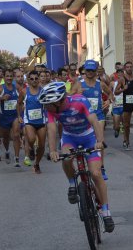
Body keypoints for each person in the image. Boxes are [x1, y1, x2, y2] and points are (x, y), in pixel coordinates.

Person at [40, 82, 114, 233]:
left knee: (96, 173)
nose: (46, 107)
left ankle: (106, 212)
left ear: (59, 101)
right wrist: (53, 150)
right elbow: (52, 128)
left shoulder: (80, 101)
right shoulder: (51, 109)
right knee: (66, 157)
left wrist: (100, 141)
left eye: (49, 105)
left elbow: (94, 121)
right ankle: (72, 183)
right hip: (70, 138)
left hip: (88, 137)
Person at [74, 60, 114, 180]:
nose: (90, 72)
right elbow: (68, 96)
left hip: (98, 116)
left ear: (96, 71)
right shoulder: (79, 83)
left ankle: (101, 167)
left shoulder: (100, 84)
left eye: (92, 70)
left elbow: (110, 93)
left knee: (99, 140)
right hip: (83, 118)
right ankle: (84, 164)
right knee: (82, 143)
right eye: (88, 70)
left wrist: (108, 101)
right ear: (84, 71)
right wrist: (77, 94)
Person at [17, 70, 46, 173]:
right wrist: (19, 115)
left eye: (36, 78)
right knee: (32, 139)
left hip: (41, 120)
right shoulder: (24, 91)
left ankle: (37, 164)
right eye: (32, 79)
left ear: (39, 79)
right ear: (28, 80)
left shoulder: (43, 91)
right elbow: (19, 103)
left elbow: (48, 104)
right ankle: (30, 149)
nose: (34, 80)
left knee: (42, 146)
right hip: (29, 120)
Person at [0, 69, 22, 166]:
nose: (9, 78)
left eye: (10, 76)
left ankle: (17, 159)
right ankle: (7, 151)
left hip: (14, 116)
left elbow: (22, 100)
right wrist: (2, 98)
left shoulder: (17, 87)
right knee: (5, 138)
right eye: (7, 76)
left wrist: (20, 111)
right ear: (4, 77)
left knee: (16, 135)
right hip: (4, 117)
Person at [115, 61, 133, 151]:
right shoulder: (122, 79)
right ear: (125, 69)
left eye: (131, 67)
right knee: (126, 125)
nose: (129, 68)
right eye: (127, 67)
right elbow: (115, 92)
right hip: (126, 103)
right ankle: (127, 142)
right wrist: (123, 89)